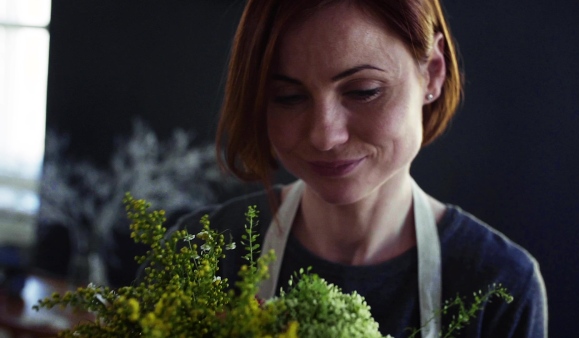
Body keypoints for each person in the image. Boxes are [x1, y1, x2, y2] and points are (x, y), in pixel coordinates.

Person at [173, 0, 548, 337]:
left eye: (363, 90)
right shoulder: (199, 254)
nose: (325, 135)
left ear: (432, 74)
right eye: (288, 97)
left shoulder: (500, 285)